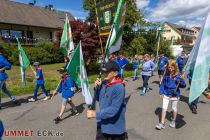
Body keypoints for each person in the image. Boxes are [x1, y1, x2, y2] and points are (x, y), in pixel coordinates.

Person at [87, 61, 127, 140]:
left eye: (107, 71)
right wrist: (97, 88)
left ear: (115, 73)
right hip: (103, 123)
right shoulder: (104, 83)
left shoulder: (119, 87)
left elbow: (114, 109)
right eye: (103, 71)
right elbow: (99, 98)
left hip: (115, 127)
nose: (104, 73)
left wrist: (95, 114)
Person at [156, 60, 186, 130]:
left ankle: (173, 121)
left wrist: (181, 80)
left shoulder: (178, 75)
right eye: (169, 67)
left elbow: (183, 86)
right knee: (164, 108)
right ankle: (162, 123)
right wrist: (161, 92)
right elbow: (162, 84)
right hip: (166, 94)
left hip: (175, 95)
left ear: (175, 67)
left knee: (174, 108)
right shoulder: (166, 74)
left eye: (171, 67)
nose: (170, 69)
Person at [0, 45, 18, 110]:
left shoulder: (1, 57)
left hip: (1, 76)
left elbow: (9, 65)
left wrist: (2, 69)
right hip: (1, 77)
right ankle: (14, 99)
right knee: (4, 89)